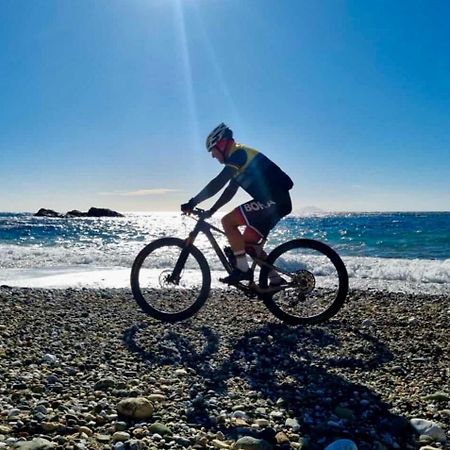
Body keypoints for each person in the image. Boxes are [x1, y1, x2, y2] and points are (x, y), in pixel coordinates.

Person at [181, 123, 293, 284]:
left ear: (221, 144)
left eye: (212, 150)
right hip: (276, 203)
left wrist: (193, 202)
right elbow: (229, 191)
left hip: (273, 201)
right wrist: (211, 211)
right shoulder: (238, 160)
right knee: (248, 245)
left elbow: (218, 182)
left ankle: (242, 270)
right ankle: (276, 281)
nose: (213, 156)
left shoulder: (239, 154)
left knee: (227, 221)